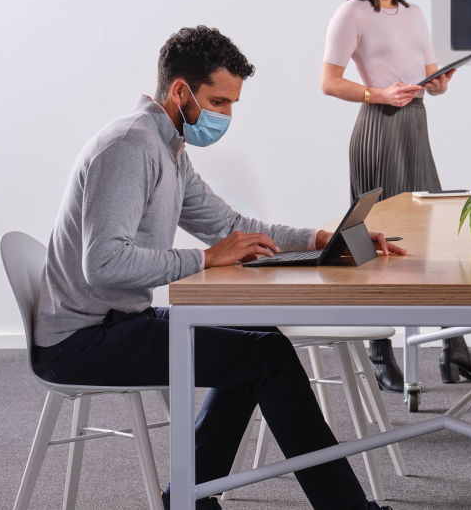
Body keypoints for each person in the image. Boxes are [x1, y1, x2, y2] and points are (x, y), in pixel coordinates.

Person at [34, 26, 404, 510]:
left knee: (260, 338)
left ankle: (189, 497)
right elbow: (103, 263)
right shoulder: (130, 147)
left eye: (232, 103)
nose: (226, 115)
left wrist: (318, 238)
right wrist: (206, 259)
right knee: (265, 360)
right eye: (219, 101)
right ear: (180, 91)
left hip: (120, 320)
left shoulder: (169, 148)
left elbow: (229, 224)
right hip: (82, 341)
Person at [322, 0, 471, 393]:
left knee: (435, 235)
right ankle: (379, 352)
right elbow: (329, 82)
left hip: (416, 124)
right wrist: (377, 91)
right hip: (378, 126)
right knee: (377, 240)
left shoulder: (415, 14)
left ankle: (452, 349)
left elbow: (426, 76)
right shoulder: (352, 13)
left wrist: (438, 83)